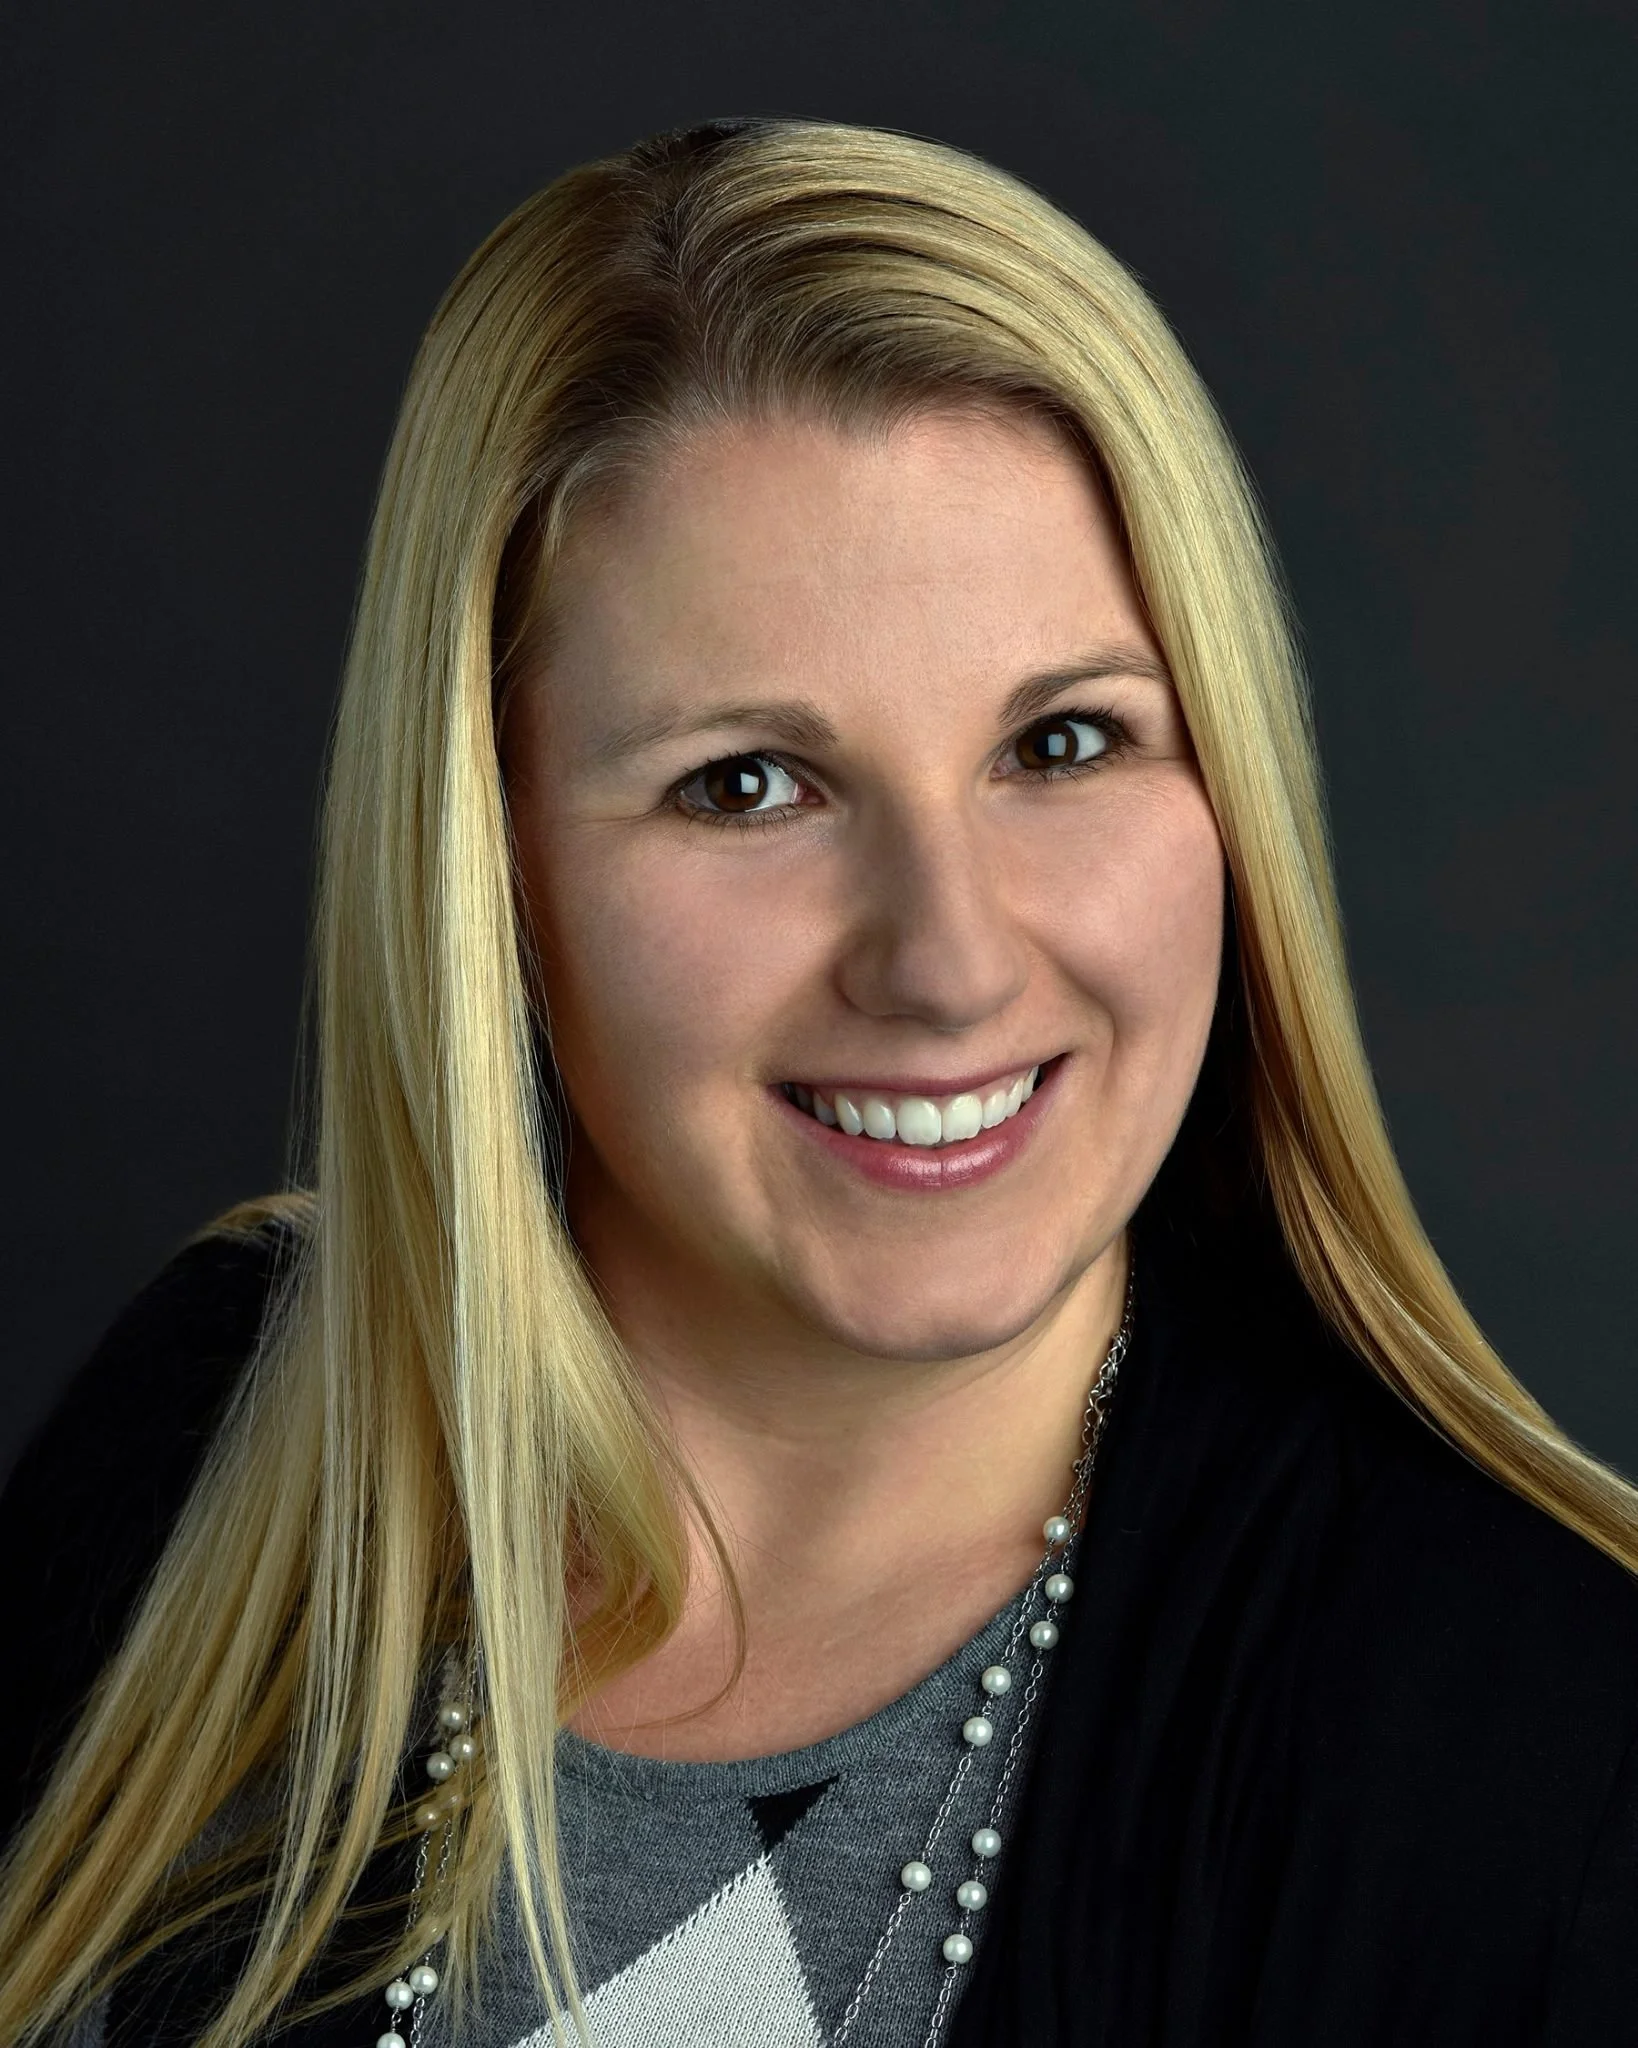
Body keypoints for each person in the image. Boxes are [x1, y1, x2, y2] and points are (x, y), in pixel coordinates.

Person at [3, 115, 1635, 2048]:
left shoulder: (1538, 1750)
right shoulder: (215, 1433)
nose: (944, 961)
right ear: (488, 858)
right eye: (745, 784)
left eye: (1062, 743)